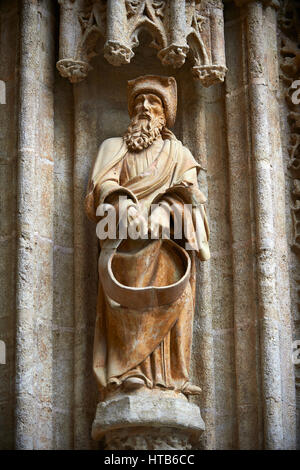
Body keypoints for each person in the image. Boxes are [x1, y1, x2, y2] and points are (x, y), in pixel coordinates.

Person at [85, 75, 210, 399]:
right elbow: (103, 184)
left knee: (171, 293)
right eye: (139, 102)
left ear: (165, 113)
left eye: (153, 102)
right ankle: (128, 373)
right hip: (124, 240)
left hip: (166, 240)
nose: (144, 107)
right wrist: (123, 203)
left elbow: (191, 194)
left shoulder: (179, 154)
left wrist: (164, 210)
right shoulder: (113, 148)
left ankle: (170, 378)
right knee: (126, 300)